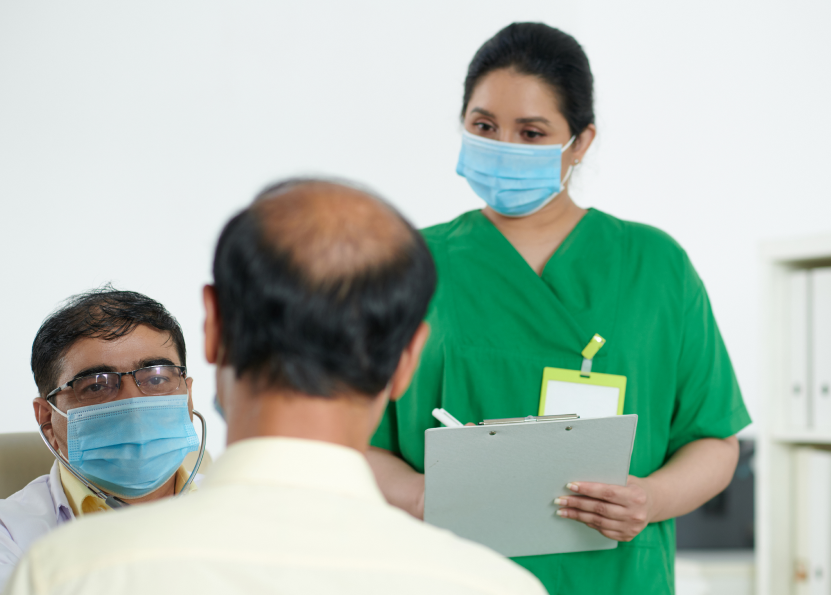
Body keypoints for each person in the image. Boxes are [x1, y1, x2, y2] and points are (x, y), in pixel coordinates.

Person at [5, 179, 548, 595]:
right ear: (407, 361)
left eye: (151, 376)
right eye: (97, 385)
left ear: (212, 329)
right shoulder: (491, 587)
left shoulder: (67, 572)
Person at [366, 22, 752, 594]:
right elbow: (352, 441)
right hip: (452, 573)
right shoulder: (407, 263)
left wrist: (651, 499)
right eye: (484, 126)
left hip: (615, 575)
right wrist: (421, 496)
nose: (503, 147)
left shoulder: (655, 266)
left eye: (531, 132)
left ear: (581, 142)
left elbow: (714, 439)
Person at [0, 288, 204, 587]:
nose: (134, 406)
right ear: (47, 418)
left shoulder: (246, 511)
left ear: (188, 397)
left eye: (157, 378)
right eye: (96, 386)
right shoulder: (10, 536)